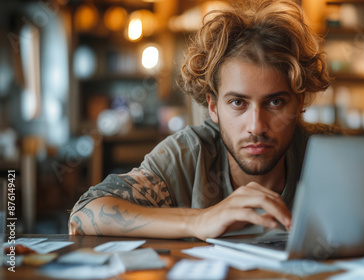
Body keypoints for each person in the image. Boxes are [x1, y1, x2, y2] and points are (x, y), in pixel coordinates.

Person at [68, 0, 337, 240]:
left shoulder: (333, 152)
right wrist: (198, 220)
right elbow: (84, 213)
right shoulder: (188, 155)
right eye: (237, 103)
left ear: (299, 102)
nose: (256, 126)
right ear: (213, 107)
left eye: (275, 102)